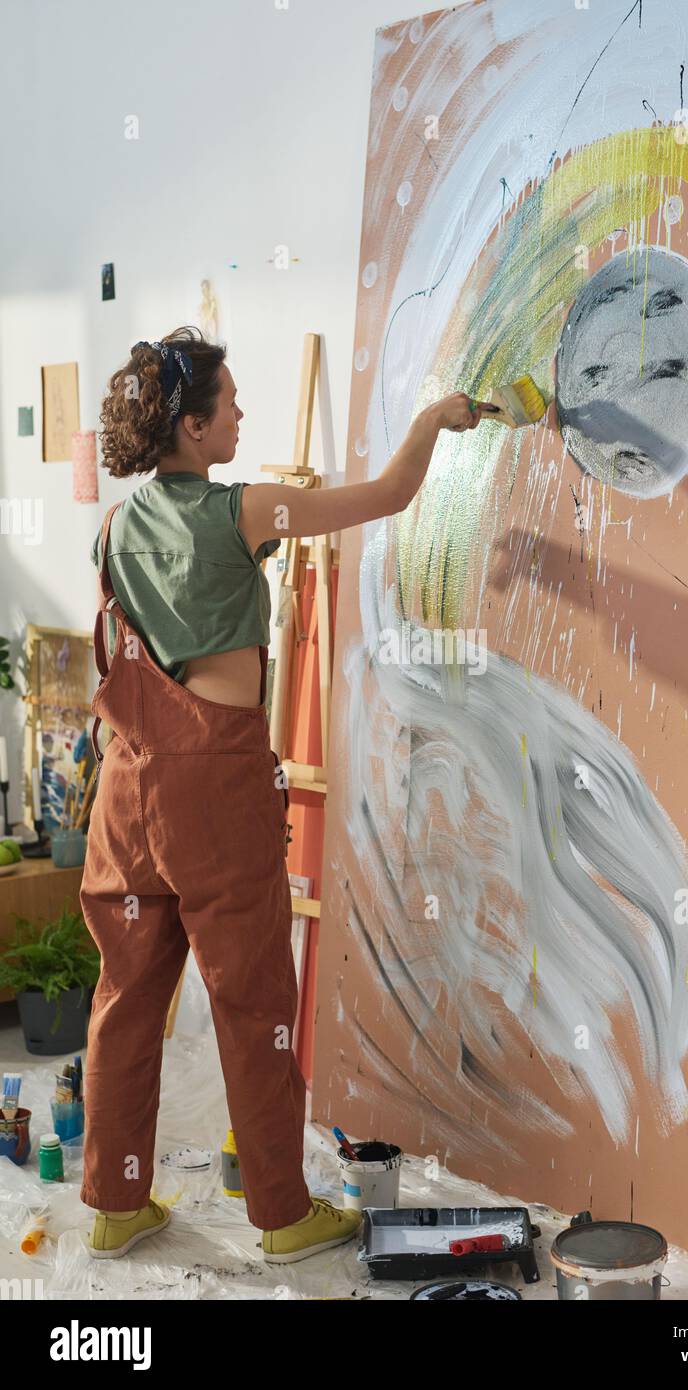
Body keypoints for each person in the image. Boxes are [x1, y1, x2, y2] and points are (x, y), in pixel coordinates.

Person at [80, 325, 496, 1262]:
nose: (241, 414)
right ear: (191, 428)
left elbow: (150, 631)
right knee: (253, 995)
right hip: (213, 782)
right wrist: (435, 418)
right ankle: (279, 1215)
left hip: (125, 779)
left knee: (126, 994)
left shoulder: (114, 527)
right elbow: (390, 494)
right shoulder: (245, 510)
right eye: (226, 404)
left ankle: (113, 1204)